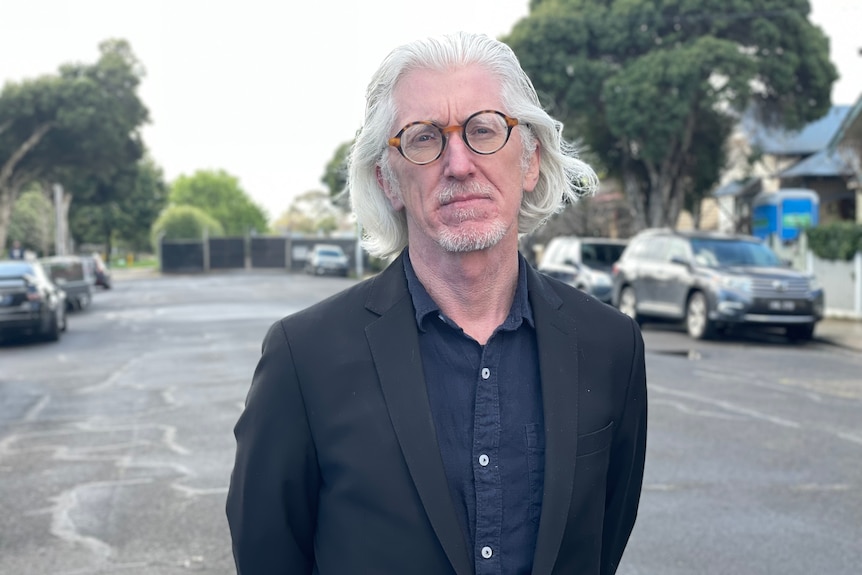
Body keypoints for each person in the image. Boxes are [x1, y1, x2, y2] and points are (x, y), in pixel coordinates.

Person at [226, 31, 647, 575]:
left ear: (530, 160)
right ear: (388, 180)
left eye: (484, 130)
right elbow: (269, 557)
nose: (459, 163)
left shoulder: (610, 346)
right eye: (423, 139)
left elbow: (604, 542)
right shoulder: (303, 357)